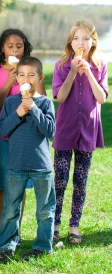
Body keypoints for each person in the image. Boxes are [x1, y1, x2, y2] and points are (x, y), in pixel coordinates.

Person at [0, 28, 46, 246]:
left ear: (25, 48)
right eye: (10, 46)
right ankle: (3, 230)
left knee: (20, 186)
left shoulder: (32, 73)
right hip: (2, 138)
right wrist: (10, 83)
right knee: (3, 185)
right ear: (2, 48)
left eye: (18, 46)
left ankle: (16, 231)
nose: (14, 50)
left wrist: (27, 86)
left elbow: (43, 104)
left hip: (26, 140)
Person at [52, 19, 108, 244]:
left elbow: (102, 98)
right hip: (65, 130)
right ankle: (54, 225)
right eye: (76, 38)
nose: (81, 42)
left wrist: (90, 73)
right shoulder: (61, 65)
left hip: (88, 130)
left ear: (93, 41)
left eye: (86, 38)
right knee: (60, 180)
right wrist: (74, 71)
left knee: (80, 181)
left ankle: (74, 227)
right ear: (70, 41)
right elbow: (61, 97)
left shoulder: (100, 65)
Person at [0, 56, 56, 263]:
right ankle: (6, 245)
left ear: (39, 78)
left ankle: (42, 246)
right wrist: (19, 113)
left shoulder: (46, 103)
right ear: (16, 79)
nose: (26, 78)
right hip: (16, 165)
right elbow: (2, 129)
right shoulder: (11, 102)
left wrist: (34, 109)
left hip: (41, 167)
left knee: (45, 210)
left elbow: (49, 130)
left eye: (31, 75)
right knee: (10, 209)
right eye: (21, 75)